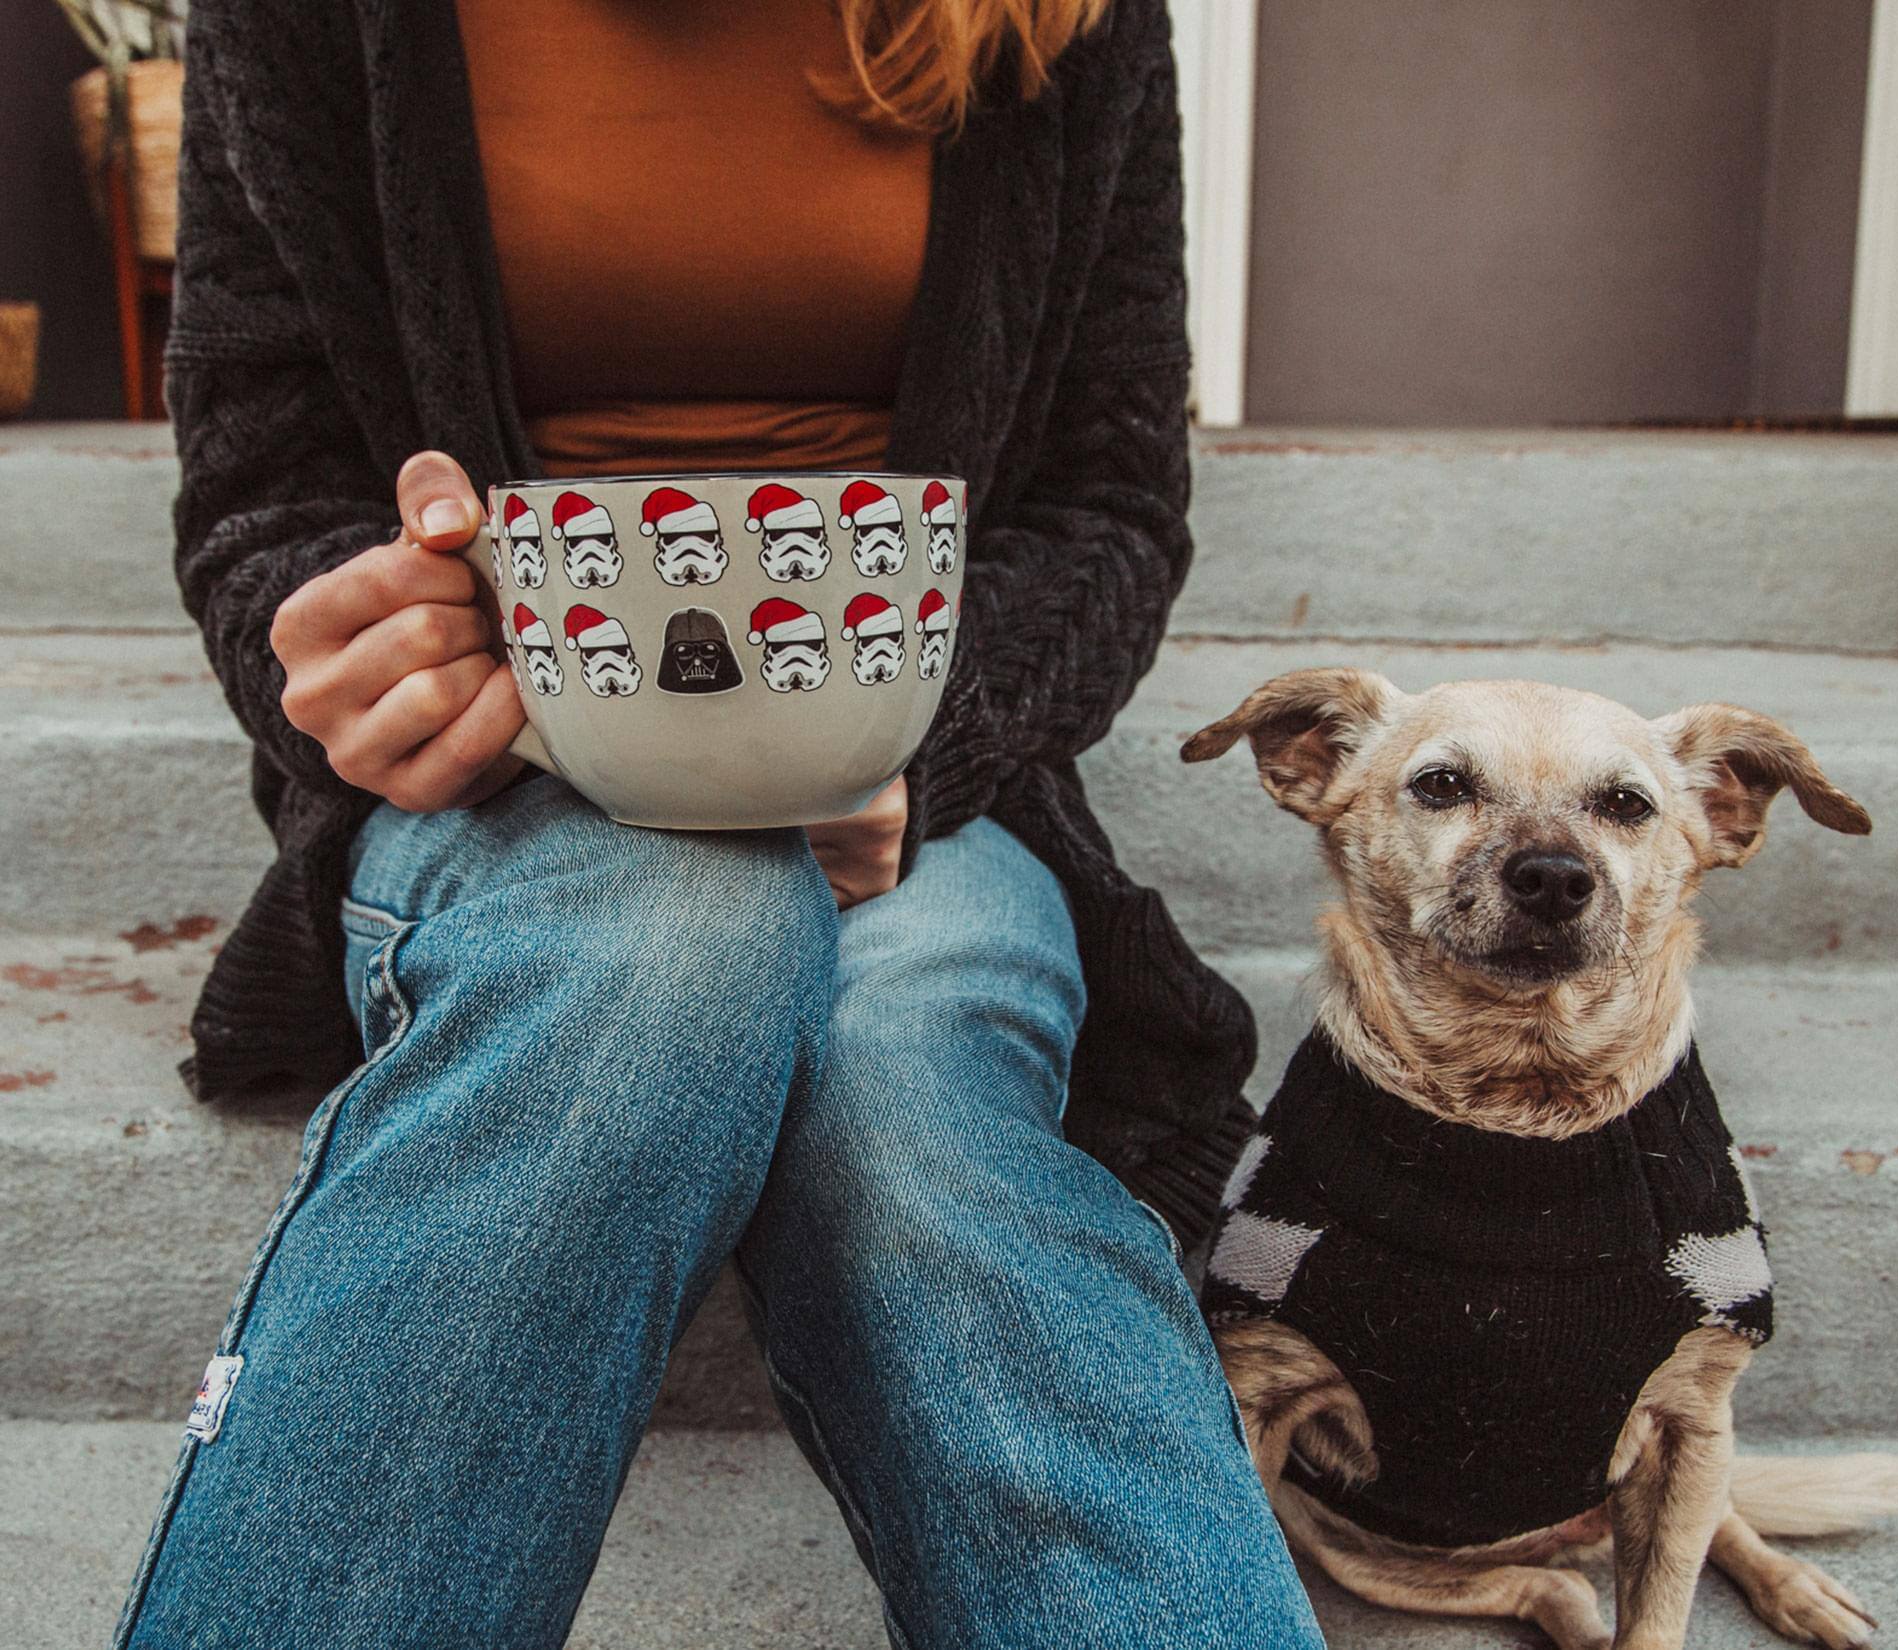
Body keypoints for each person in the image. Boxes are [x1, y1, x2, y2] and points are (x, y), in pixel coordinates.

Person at [114, 2, 1324, 1646]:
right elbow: (260, 487)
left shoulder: (1061, 19)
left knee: (911, 1108)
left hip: (914, 785)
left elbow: (1112, 504)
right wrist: (361, 645)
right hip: (515, 775)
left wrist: (913, 738)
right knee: (680, 935)